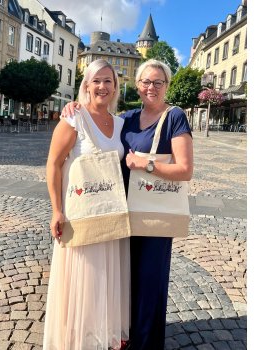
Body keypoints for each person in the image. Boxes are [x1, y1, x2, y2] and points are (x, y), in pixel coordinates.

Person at [61, 59, 194, 349]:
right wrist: (74, 107)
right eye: (146, 81)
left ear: (166, 85)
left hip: (155, 216)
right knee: (124, 283)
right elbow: (100, 129)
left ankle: (146, 344)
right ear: (137, 85)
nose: (151, 87)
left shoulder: (175, 117)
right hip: (122, 214)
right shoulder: (129, 118)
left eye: (158, 82)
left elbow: (185, 170)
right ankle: (124, 338)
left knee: (149, 285)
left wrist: (144, 164)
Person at [43, 59, 130, 350]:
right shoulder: (73, 118)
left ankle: (99, 333)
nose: (103, 86)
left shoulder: (120, 124)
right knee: (81, 279)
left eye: (108, 81)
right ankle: (77, 339)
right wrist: (57, 210)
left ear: (116, 87)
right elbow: (54, 165)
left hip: (109, 213)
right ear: (87, 85)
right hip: (80, 213)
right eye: (97, 80)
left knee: (103, 277)